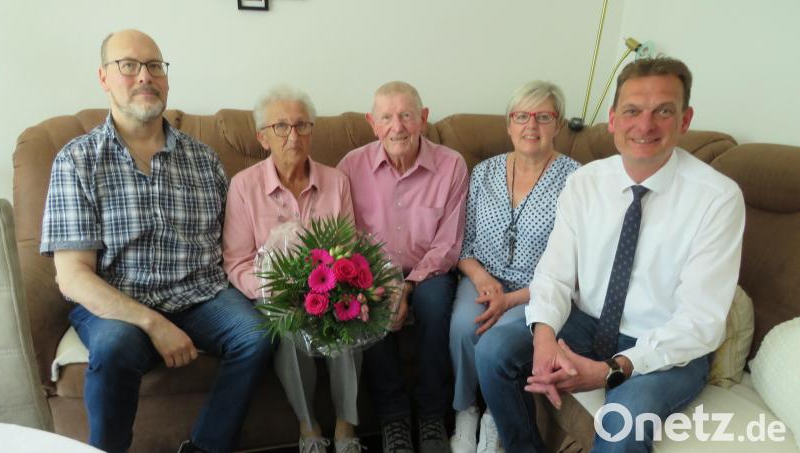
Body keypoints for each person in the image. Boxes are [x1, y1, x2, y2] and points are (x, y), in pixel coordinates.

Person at [476, 57, 745, 453]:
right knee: (493, 352)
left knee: (623, 423)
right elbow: (554, 274)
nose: (645, 125)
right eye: (632, 111)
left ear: (685, 120)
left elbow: (700, 321)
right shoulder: (585, 182)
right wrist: (544, 338)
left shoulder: (718, 199)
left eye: (663, 111)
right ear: (613, 119)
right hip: (587, 321)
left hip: (665, 343)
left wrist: (611, 370)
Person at [39, 30, 275, 453]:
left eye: (154, 66)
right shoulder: (76, 160)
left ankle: (206, 446)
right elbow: (73, 277)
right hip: (117, 300)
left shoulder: (203, 160)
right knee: (114, 348)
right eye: (128, 66)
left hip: (200, 294)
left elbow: (237, 243)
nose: (145, 76)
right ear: (104, 77)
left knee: (258, 334)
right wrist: (154, 324)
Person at [222, 85, 363, 453]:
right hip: (275, 290)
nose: (293, 136)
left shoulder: (336, 182)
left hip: (328, 286)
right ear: (262, 137)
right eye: (281, 126)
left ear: (312, 131)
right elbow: (236, 261)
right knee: (286, 326)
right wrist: (273, 289)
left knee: (347, 318)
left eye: (302, 125)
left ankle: (346, 426)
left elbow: (348, 248)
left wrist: (333, 286)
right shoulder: (244, 186)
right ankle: (309, 425)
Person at [448, 81, 580, 453]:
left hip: (539, 287)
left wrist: (512, 299)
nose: (531, 126)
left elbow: (575, 268)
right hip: (483, 276)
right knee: (463, 327)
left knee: (500, 338)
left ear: (558, 124)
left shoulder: (576, 179)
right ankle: (465, 410)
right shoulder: (484, 172)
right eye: (522, 116)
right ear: (509, 124)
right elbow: (464, 245)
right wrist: (482, 278)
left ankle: (495, 415)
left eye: (543, 117)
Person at [337, 81, 469, 453]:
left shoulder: (451, 165)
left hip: (430, 271)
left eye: (407, 115)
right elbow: (345, 235)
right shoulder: (351, 166)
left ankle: (431, 416)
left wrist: (408, 286)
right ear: (372, 123)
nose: (397, 127)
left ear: (423, 118)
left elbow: (448, 242)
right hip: (370, 271)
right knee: (369, 304)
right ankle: (393, 419)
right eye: (386, 118)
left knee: (434, 304)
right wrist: (380, 281)